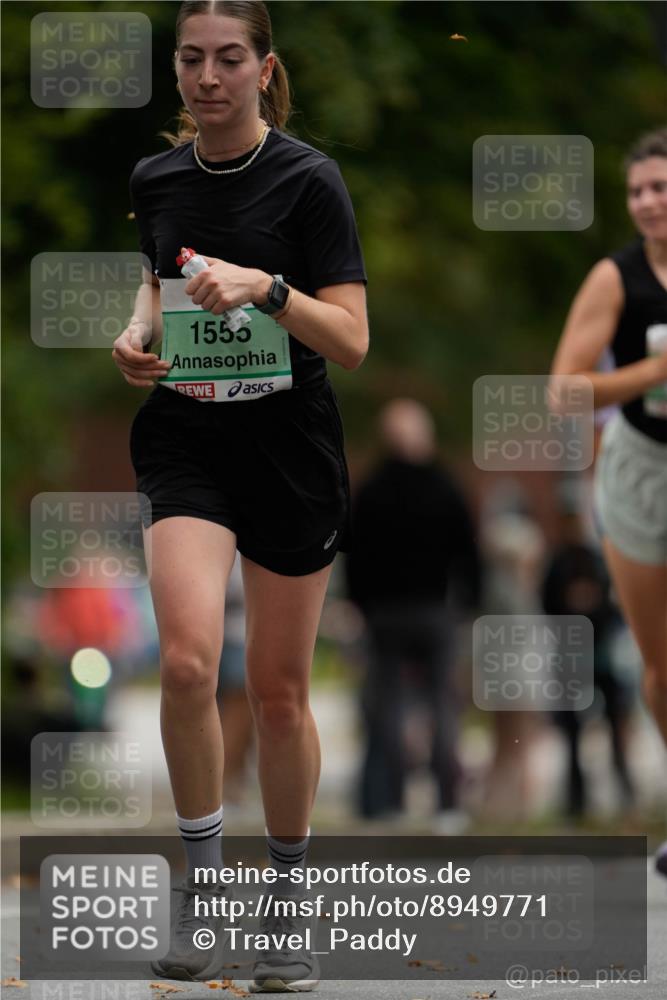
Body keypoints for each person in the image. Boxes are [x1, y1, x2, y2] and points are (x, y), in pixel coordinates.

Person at [112, 1, 368, 990]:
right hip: (187, 442)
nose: (207, 77)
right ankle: (204, 889)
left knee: (278, 693)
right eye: (190, 59)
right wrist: (139, 338)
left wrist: (265, 288)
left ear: (265, 69)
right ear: (174, 69)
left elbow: (349, 340)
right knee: (184, 662)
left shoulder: (310, 181)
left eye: (228, 59)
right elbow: (157, 280)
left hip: (289, 451)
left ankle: (288, 901)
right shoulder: (156, 176)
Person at [550, 128, 667, 872]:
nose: (648, 202)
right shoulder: (614, 277)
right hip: (638, 467)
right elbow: (565, 390)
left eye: (660, 188)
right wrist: (653, 369)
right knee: (658, 663)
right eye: (637, 191)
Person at [345, 399, 481, 827]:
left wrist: (361, 603)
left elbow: (354, 553)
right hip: (433, 608)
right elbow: (469, 550)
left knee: (387, 706)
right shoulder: (445, 486)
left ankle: (389, 798)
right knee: (443, 704)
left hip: (385, 612)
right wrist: (469, 599)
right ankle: (447, 802)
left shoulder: (371, 489)